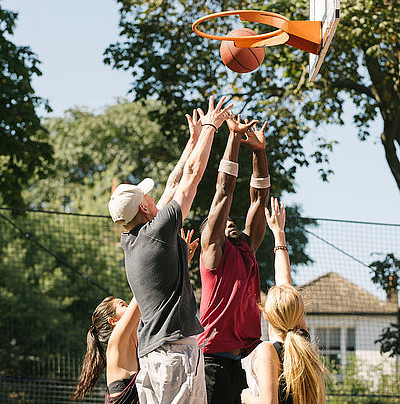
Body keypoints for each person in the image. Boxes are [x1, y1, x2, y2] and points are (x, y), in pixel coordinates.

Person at [108, 95, 233, 404]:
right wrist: (209, 127)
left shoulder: (136, 238)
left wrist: (191, 143)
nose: (155, 196)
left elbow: (174, 180)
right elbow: (190, 177)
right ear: (145, 207)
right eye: (146, 196)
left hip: (152, 358)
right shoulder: (158, 232)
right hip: (175, 354)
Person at [70, 230, 198, 403]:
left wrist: (182, 263)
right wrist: (170, 258)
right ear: (113, 321)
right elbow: (145, 291)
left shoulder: (140, 337)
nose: (128, 306)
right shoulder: (116, 342)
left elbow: (162, 296)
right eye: (122, 305)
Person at [198, 115, 270, 404]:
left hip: (245, 359)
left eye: (230, 219)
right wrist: (233, 138)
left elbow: (259, 201)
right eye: (220, 219)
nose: (228, 219)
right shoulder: (213, 251)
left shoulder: (245, 248)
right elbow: (223, 191)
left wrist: (259, 151)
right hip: (211, 360)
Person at [241, 197, 328, 404]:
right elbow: (285, 285)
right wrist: (279, 235)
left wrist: (245, 396)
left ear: (268, 315)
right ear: (298, 314)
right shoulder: (303, 343)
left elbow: (269, 403)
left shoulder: (267, 350)